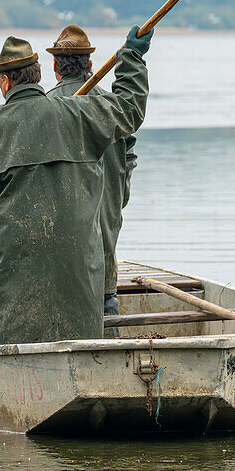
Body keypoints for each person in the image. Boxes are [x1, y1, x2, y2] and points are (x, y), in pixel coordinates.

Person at [0, 27, 152, 344]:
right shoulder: (78, 113)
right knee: (89, 325)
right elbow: (129, 109)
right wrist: (131, 58)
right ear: (38, 75)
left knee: (17, 337)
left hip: (13, 271)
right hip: (82, 268)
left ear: (6, 82)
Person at [46, 25, 137, 326]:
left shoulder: (43, 109)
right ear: (90, 66)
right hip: (104, 255)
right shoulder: (112, 107)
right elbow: (128, 161)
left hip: (59, 265)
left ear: (56, 67)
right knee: (107, 317)